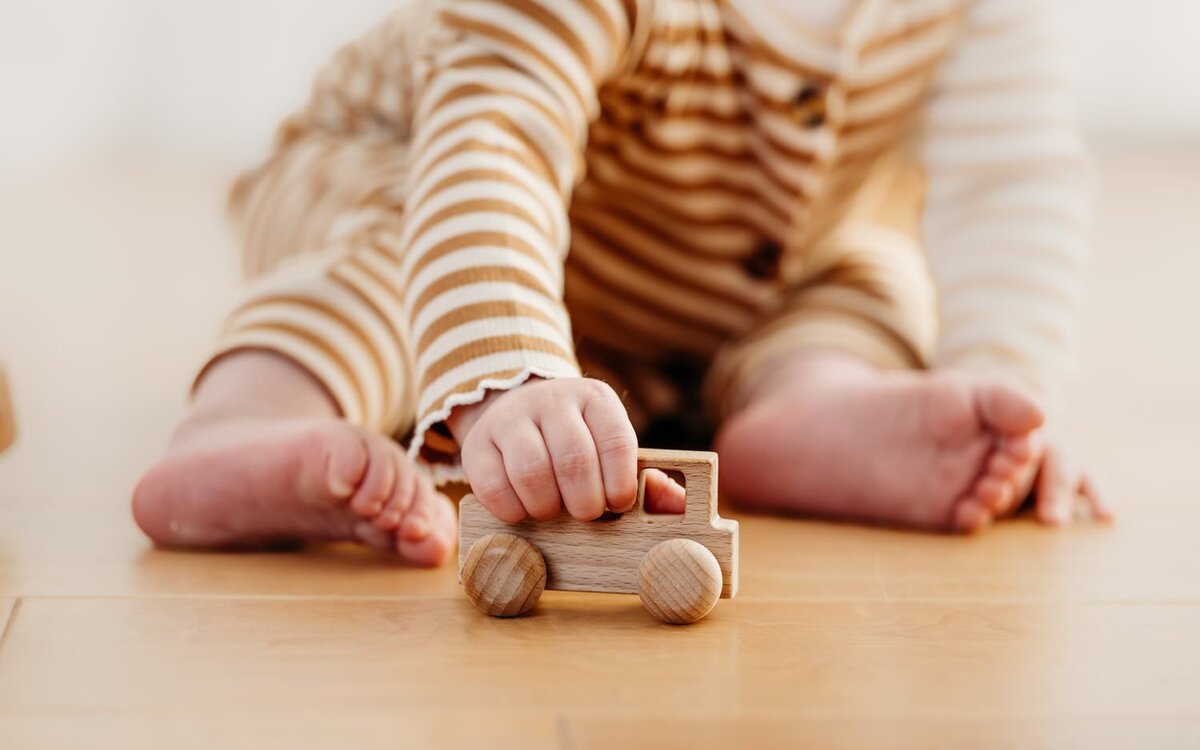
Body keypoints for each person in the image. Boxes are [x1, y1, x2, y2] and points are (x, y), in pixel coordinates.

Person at [133, 0, 1111, 565]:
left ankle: (819, 395)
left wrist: (1008, 382)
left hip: (718, 264)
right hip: (408, 173)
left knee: (872, 271)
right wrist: (506, 369)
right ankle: (250, 414)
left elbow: (1010, 178)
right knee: (395, 257)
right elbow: (491, 138)